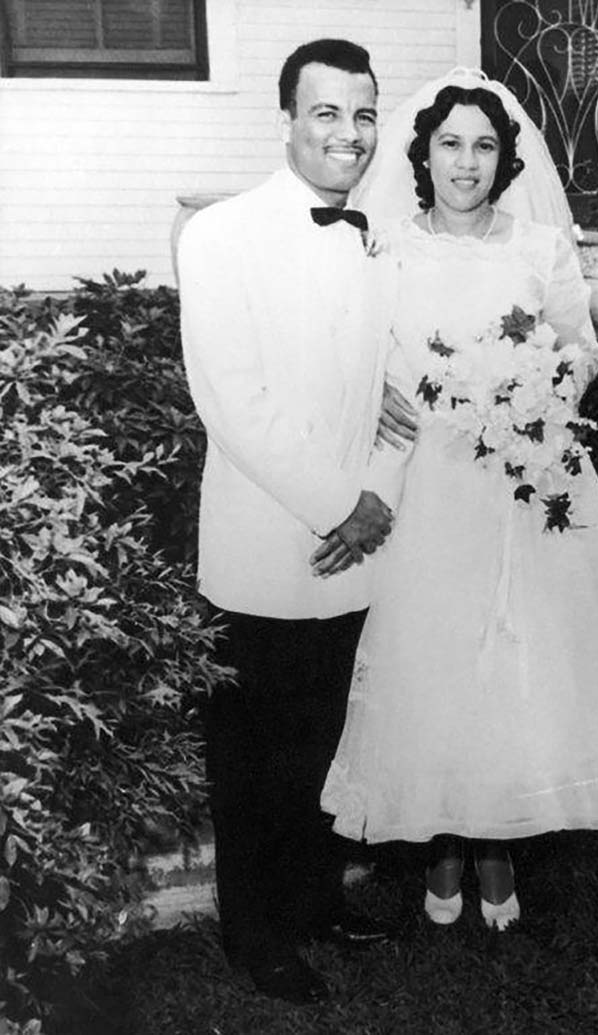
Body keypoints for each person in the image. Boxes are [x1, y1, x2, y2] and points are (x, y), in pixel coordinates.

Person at [318, 69, 598, 932]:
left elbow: (582, 346)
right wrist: (371, 387)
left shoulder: (537, 247)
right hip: (425, 484)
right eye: (449, 143)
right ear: (422, 153)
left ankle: (496, 845)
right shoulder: (388, 247)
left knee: (517, 662)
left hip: (526, 475)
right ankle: (443, 841)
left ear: (504, 158)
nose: (466, 161)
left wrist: (549, 381)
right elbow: (357, 348)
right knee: (441, 659)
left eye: (484, 145)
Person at [178, 38, 400, 1005]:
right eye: (326, 113)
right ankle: (255, 933)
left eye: (362, 114)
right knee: (255, 758)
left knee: (323, 740)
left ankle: (314, 900)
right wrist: (341, 502)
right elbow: (234, 402)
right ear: (287, 120)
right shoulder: (221, 236)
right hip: (267, 546)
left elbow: (402, 392)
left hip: (356, 545)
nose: (347, 134)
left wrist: (379, 493)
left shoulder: (376, 237)